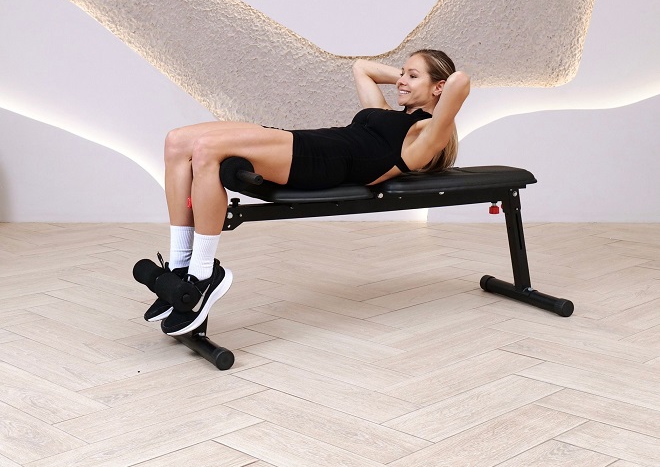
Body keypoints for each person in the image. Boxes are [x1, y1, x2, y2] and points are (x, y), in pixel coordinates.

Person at [146, 49, 470, 336]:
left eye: (412, 76)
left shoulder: (425, 135)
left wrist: (432, 84)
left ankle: (203, 275)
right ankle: (180, 267)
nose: (401, 81)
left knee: (206, 150)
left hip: (320, 163)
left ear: (438, 87)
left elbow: (460, 81)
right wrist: (408, 77)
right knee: (177, 141)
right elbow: (361, 68)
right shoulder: (386, 113)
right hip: (306, 143)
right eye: (402, 73)